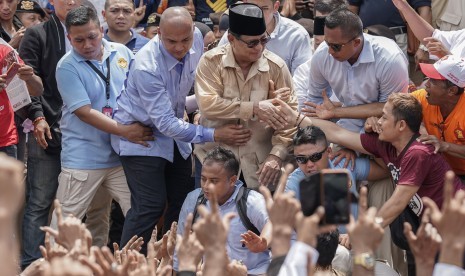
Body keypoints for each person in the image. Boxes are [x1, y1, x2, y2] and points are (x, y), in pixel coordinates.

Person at [112, 6, 250, 253]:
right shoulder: (146, 65)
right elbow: (164, 123)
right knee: (150, 205)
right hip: (141, 136)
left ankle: (171, 261)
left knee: (184, 201)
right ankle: (127, 265)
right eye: (171, 41)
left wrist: (206, 102)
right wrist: (214, 134)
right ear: (158, 34)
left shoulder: (197, 37)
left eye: (185, 39)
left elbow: (182, 101)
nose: (179, 47)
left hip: (176, 133)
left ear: (193, 31)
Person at [274, 93, 464, 269]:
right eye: (301, 159)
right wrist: (297, 119)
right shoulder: (386, 146)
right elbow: (338, 134)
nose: (377, 122)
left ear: (401, 126)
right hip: (438, 230)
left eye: (384, 117)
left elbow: (397, 203)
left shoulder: (418, 153)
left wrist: (360, 233)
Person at [51, 4, 152, 249]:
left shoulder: (123, 53)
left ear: (101, 28)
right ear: (69, 38)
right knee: (64, 227)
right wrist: (126, 131)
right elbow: (84, 112)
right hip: (83, 160)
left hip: (120, 157)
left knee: (135, 216)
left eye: (92, 36)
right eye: (79, 40)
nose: (87, 44)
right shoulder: (67, 66)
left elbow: (140, 92)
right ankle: (53, 267)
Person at [195, 3, 297, 189]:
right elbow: (207, 104)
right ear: (232, 39)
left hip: (261, 169)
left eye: (263, 40)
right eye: (252, 43)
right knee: (211, 217)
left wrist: (277, 154)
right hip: (215, 164)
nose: (259, 47)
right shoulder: (211, 62)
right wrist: (256, 108)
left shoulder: (276, 67)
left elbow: (290, 118)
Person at [19, 0, 82, 269]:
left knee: (77, 203)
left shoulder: (90, 32)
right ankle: (31, 263)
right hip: (47, 127)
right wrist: (37, 117)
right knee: (40, 200)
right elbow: (26, 81)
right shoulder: (38, 33)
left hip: (82, 131)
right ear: (51, 3)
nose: (71, 2)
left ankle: (72, 262)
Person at [174, 147, 271, 275]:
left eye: (214, 181)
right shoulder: (194, 200)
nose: (206, 186)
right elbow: (180, 246)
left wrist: (263, 243)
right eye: (203, 179)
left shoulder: (251, 200)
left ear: (232, 180)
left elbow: (272, 223)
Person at [218, 0, 312, 75]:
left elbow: (301, 81)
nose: (258, 14)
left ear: (275, 7)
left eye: (264, 8)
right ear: (245, 4)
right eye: (253, 8)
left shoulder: (297, 35)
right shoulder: (234, 33)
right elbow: (218, 66)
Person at [415, 56, 465, 180]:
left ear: (451, 91)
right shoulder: (424, 97)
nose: (426, 84)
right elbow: (393, 104)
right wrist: (373, 118)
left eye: (432, 81)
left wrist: (443, 145)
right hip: (440, 170)